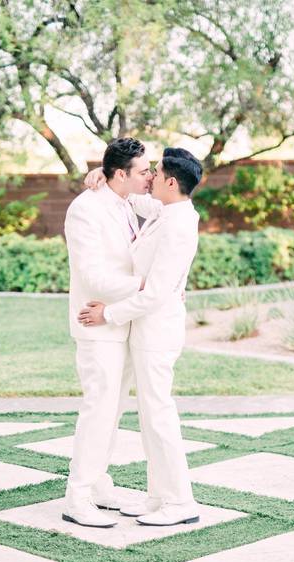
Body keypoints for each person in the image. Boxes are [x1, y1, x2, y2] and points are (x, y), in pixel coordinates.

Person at [77, 147, 203, 526]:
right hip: (146, 332)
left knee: (160, 417)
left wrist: (107, 314)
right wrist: (103, 175)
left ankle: (181, 502)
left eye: (155, 172)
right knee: (150, 418)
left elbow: (154, 294)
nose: (148, 177)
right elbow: (130, 195)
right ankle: (158, 496)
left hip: (156, 334)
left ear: (170, 182)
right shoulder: (167, 210)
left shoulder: (180, 224)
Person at [61, 137, 154, 529]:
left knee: (113, 412)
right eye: (145, 170)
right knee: (98, 410)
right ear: (122, 174)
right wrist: (148, 286)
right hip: (96, 325)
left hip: (123, 323)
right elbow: (92, 275)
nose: (151, 176)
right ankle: (76, 497)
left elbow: (174, 202)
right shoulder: (85, 210)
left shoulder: (129, 199)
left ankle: (99, 484)